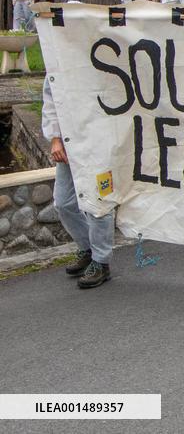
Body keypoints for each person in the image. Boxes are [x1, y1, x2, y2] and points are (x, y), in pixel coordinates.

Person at [42, 76, 116, 288]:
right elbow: (51, 98)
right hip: (70, 142)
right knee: (63, 202)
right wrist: (55, 137)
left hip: (101, 142)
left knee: (98, 203)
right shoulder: (59, 54)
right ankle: (88, 248)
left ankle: (101, 262)